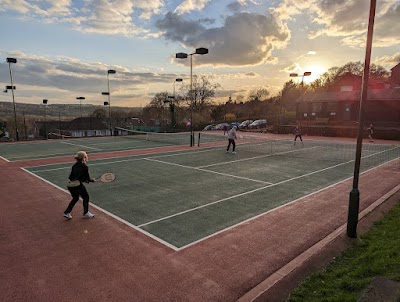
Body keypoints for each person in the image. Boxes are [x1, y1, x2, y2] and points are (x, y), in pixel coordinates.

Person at [64, 151, 95, 219]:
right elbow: (87, 178)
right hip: (77, 185)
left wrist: (85, 180)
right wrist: (91, 180)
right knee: (86, 197)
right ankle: (86, 213)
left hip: (70, 185)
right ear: (84, 158)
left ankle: (67, 212)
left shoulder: (74, 166)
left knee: (75, 198)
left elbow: (75, 176)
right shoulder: (85, 167)